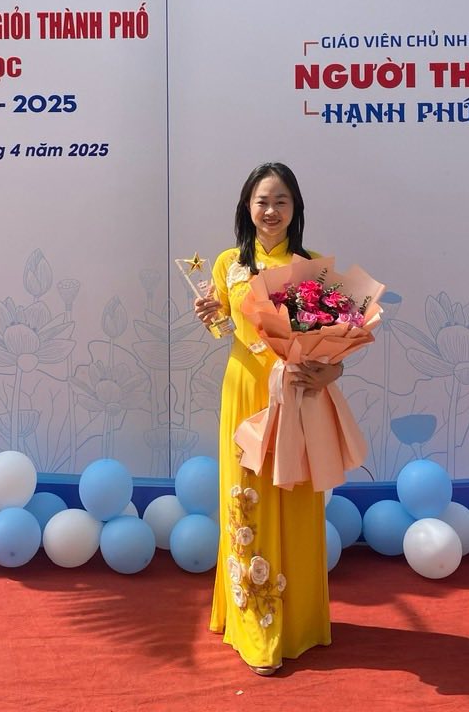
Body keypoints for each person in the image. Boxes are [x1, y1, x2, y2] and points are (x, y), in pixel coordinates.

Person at [193, 162, 341, 675]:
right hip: (245, 391)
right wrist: (212, 317)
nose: (271, 210)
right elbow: (224, 327)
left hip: (296, 396)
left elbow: (334, 346)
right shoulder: (228, 263)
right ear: (247, 207)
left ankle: (299, 621)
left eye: (281, 200)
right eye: (262, 201)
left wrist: (330, 372)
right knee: (247, 499)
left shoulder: (313, 267)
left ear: (295, 207)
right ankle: (256, 626)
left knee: (295, 497)